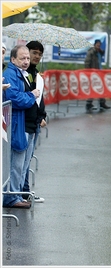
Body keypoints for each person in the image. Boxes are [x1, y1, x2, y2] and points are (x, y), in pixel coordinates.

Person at [2, 45, 41, 209]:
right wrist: (31, 95)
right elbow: (15, 98)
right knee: (15, 163)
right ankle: (11, 197)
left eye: (27, 58)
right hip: (18, 123)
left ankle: (16, 194)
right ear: (13, 59)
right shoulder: (10, 74)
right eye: (22, 58)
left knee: (22, 164)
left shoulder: (24, 73)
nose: (26, 61)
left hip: (27, 123)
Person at [20, 41, 47, 203]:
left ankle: (25, 191)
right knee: (21, 161)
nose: (36, 56)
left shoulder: (36, 73)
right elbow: (28, 96)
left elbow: (39, 98)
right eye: (34, 53)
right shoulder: (23, 73)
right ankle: (22, 193)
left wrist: (41, 116)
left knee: (27, 159)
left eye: (40, 54)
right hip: (24, 122)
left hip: (35, 122)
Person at [84, 39, 110, 112]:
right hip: (92, 73)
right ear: (94, 44)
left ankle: (102, 103)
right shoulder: (91, 52)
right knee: (92, 88)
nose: (98, 45)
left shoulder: (99, 52)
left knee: (101, 88)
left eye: (99, 44)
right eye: (97, 44)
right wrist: (88, 72)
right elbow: (87, 62)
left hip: (99, 73)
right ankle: (88, 104)